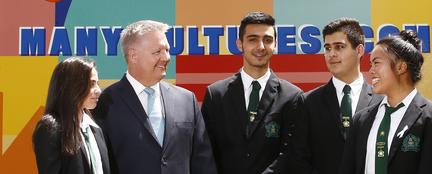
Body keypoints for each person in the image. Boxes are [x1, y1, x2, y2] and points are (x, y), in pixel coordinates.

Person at [93, 20, 216, 174]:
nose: (166, 58)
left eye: (167, 50)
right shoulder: (103, 102)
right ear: (133, 55)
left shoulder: (186, 100)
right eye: (157, 52)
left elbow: (203, 162)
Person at [201, 11, 303, 174]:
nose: (261, 47)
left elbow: (292, 153)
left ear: (275, 45)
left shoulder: (292, 96)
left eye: (268, 40)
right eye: (253, 39)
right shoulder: (216, 94)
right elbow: (205, 151)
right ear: (240, 44)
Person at [340, 30, 432, 174]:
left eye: (376, 63)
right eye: (371, 64)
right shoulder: (361, 119)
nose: (371, 71)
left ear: (401, 67)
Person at [291, 18, 383, 174]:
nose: (331, 54)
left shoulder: (382, 99)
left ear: (359, 50)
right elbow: (298, 159)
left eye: (339, 47)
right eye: (327, 48)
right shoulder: (308, 102)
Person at [33, 57, 110, 174]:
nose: (98, 90)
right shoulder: (50, 128)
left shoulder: (95, 128)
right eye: (91, 84)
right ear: (72, 86)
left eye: (97, 83)